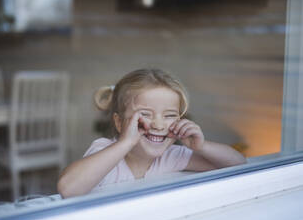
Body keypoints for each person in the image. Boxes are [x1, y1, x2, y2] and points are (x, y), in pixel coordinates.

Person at [57, 68, 246, 198]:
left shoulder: (171, 156)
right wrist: (125, 143)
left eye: (170, 115)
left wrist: (202, 147)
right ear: (119, 123)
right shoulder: (106, 150)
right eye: (145, 114)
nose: (158, 124)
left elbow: (238, 164)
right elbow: (68, 188)